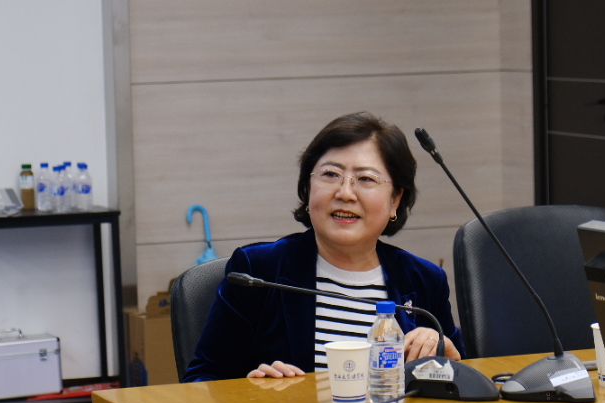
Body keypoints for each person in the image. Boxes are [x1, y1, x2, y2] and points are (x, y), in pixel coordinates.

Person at [182, 111, 465, 382]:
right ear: (308, 187)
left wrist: (452, 360)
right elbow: (201, 381)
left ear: (395, 200)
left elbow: (467, 384)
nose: (345, 193)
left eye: (366, 179)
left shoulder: (424, 281)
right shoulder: (258, 272)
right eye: (330, 174)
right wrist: (250, 393)